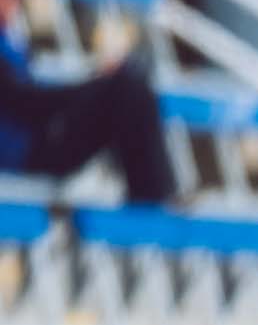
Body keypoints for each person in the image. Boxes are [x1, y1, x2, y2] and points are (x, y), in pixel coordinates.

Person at [0, 22, 175, 205]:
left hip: (35, 141)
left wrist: (97, 85)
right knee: (124, 90)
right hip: (25, 153)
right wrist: (95, 86)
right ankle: (154, 202)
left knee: (130, 85)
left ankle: (155, 199)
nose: (11, 0)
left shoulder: (10, 38)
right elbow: (25, 102)